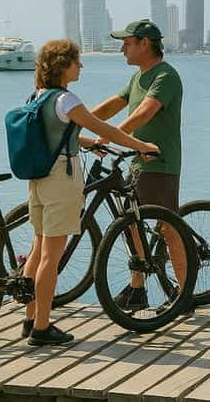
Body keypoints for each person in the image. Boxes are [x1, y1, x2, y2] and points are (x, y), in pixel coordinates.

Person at [22, 39, 158, 346]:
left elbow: (57, 135)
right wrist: (141, 146)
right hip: (61, 181)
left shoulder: (39, 96)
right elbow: (106, 128)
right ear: (62, 66)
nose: (80, 66)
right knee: (50, 258)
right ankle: (42, 328)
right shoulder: (67, 100)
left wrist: (86, 144)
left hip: (39, 180)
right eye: (76, 62)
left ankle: (29, 318)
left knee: (37, 251)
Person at [91, 19, 184, 311]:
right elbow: (112, 106)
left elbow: (144, 113)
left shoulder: (165, 76)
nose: (122, 49)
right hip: (136, 161)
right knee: (132, 225)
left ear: (145, 43)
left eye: (127, 43)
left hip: (159, 162)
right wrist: (72, 122)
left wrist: (106, 136)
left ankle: (183, 294)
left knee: (169, 229)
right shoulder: (138, 78)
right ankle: (137, 288)